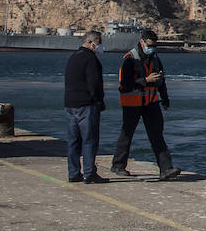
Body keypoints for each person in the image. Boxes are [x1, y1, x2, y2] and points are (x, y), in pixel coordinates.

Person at [112, 28, 181, 181]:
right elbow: (124, 84)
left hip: (151, 102)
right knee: (127, 135)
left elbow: (161, 81)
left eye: (154, 46)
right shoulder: (129, 59)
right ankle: (118, 165)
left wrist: (165, 98)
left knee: (157, 135)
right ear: (142, 42)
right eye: (150, 45)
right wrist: (145, 81)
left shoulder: (155, 59)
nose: (152, 49)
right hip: (132, 103)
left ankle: (166, 168)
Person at [64, 31, 106, 183]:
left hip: (70, 104)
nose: (101, 46)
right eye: (99, 42)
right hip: (86, 105)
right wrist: (99, 101)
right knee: (89, 139)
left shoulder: (73, 57)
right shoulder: (90, 59)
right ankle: (89, 173)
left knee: (73, 140)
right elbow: (94, 83)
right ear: (91, 42)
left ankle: (73, 172)